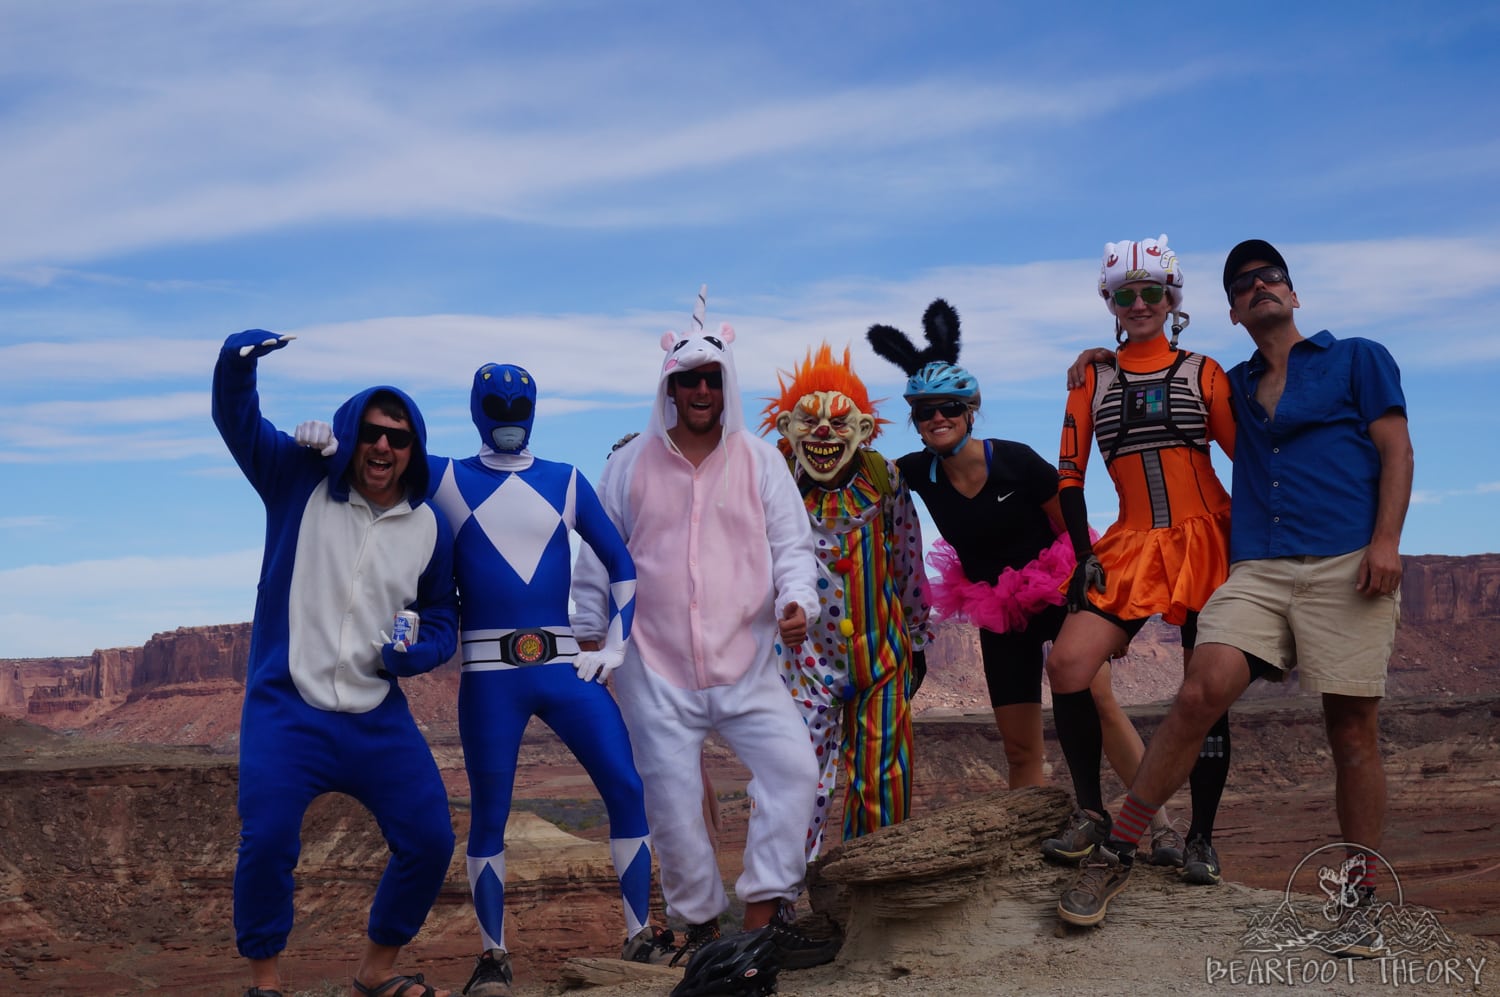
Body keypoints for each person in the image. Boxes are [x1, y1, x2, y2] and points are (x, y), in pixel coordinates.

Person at [1057, 240, 1413, 943]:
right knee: (1197, 691)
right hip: (1259, 567)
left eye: (1270, 277)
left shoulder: (1357, 358)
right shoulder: (1237, 380)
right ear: (1229, 307)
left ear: (1293, 291)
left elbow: (1396, 449)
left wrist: (1386, 542)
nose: (1259, 287)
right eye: (1244, 284)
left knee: (1350, 733)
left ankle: (1362, 896)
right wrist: (1105, 359)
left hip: (1346, 562)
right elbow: (1156, 398)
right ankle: (1119, 849)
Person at [302, 364, 670, 996]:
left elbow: (621, 563)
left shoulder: (567, 482)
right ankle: (494, 956)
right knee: (490, 816)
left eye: (518, 401)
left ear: (534, 405)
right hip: (490, 673)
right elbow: (378, 468)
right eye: (496, 402)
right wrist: (332, 447)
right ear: (477, 407)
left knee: (625, 786)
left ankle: (638, 935)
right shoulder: (445, 476)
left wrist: (616, 644)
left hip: (560, 663)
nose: (507, 411)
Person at [572, 287, 840, 971]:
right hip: (652, 666)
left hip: (748, 662)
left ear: (726, 384)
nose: (698, 389)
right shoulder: (628, 465)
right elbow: (599, 556)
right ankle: (697, 926)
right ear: (668, 384)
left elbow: (792, 547)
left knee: (793, 771)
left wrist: (797, 603)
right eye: (686, 379)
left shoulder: (760, 460)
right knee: (671, 802)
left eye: (709, 378)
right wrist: (587, 632)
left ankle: (760, 917)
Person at [213, 330, 459, 997]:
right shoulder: (297, 480)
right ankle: (265, 981)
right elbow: (237, 424)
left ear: (414, 450)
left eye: (399, 438)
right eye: (373, 432)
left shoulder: (429, 526)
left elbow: (442, 616)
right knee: (266, 839)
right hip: (286, 709)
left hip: (375, 714)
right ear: (353, 433)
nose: (384, 446)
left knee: (431, 839)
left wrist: (418, 653)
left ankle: (376, 974)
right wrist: (240, 360)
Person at [866, 299, 1140, 794]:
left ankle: (1158, 823)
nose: (938, 418)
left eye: (950, 407)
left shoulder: (1015, 462)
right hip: (999, 614)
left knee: (1102, 708)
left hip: (1061, 594)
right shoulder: (913, 474)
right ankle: (1026, 845)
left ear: (970, 412)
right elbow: (855, 470)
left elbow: (1076, 537)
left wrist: (1109, 616)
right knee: (1019, 748)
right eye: (926, 411)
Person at [1045, 235, 1238, 894]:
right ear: (1111, 302)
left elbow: (1252, 458)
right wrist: (1080, 556)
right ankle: (1092, 810)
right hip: (1128, 543)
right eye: (1124, 294)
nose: (1138, 303)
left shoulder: (1206, 372)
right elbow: (1069, 477)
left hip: (1209, 539)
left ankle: (1202, 838)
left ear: (1171, 296)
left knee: (1205, 691)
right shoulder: (1089, 379)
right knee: (1068, 664)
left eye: (1150, 290)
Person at [759, 342, 931, 860]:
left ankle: (872, 893)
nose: (824, 434)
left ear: (862, 429)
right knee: (796, 780)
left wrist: (917, 641)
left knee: (883, 780)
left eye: (839, 422)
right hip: (803, 662)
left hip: (881, 658)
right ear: (788, 426)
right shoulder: (773, 482)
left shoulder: (886, 480)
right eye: (809, 421)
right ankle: (781, 900)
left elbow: (907, 559)